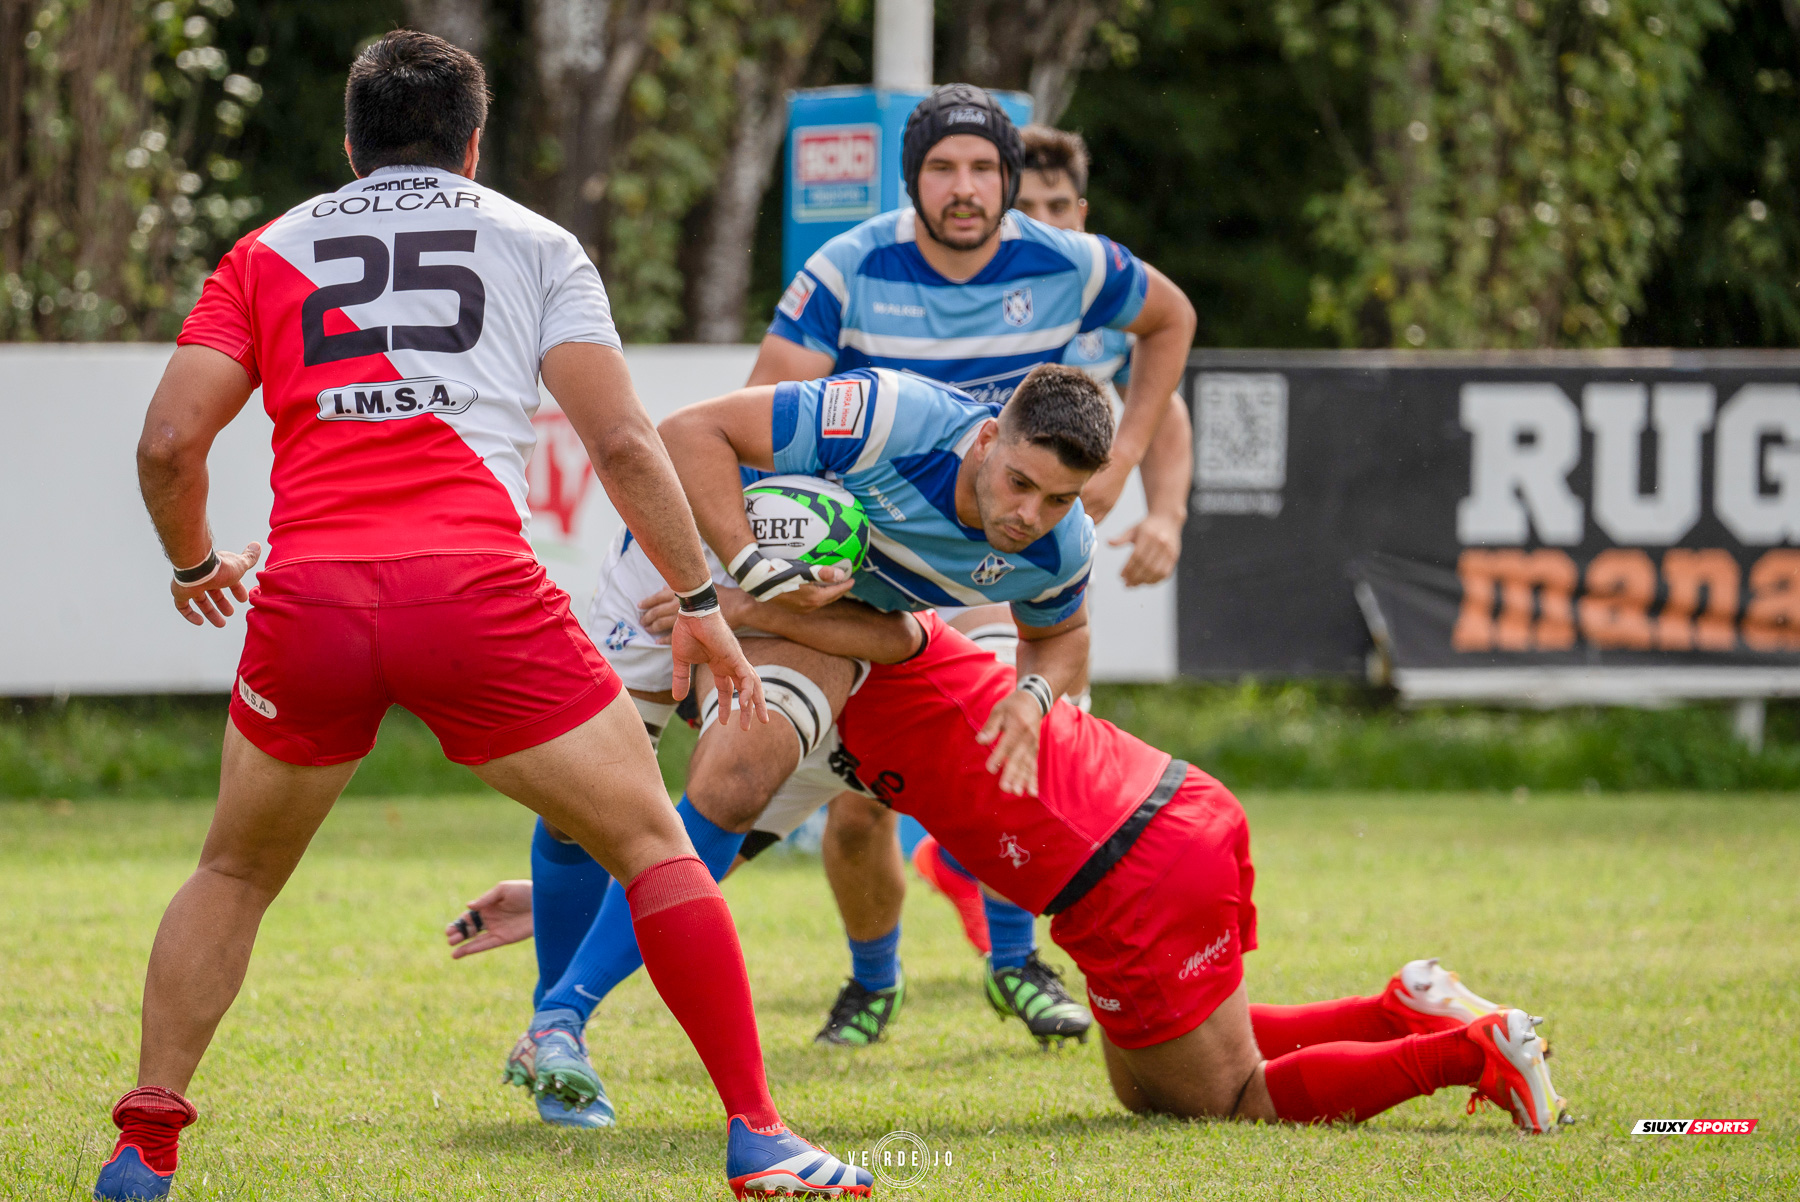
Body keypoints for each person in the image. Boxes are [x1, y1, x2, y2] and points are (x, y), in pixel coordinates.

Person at [94, 31, 869, 1202]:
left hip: (310, 601)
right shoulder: (538, 242)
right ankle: (759, 1136)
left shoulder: (266, 249)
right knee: (654, 847)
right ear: (472, 144)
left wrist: (195, 561)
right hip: (474, 596)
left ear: (349, 144)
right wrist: (700, 600)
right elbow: (623, 442)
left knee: (234, 872)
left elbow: (166, 443)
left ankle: (145, 1145)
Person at [464, 362, 1112, 1124]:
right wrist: (743, 573)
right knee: (582, 806)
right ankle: (554, 1018)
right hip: (690, 560)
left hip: (807, 617)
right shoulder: (891, 417)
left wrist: (1034, 696)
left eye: (1058, 498)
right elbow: (689, 433)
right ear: (988, 438)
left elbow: (1056, 634)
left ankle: (560, 1023)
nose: (1030, 514)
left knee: (738, 783)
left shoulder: (1062, 546)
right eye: (1020, 483)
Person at [731, 601, 1574, 1135]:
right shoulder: (805, 696)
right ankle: (1401, 1009)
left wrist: (724, 607)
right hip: (1167, 816)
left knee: (1226, 1099)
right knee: (1143, 1090)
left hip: (1131, 868)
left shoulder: (877, 638)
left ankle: (1474, 1052)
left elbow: (888, 630)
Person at [749, 85, 1197, 1048]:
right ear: (912, 179)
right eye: (945, 169)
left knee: (1012, 742)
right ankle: (873, 981)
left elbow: (1170, 330)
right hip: (879, 562)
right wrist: (777, 548)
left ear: (1009, 183)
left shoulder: (1069, 268)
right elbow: (766, 409)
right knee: (860, 806)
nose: (966, 189)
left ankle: (1015, 961)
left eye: (985, 170)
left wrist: (1133, 475)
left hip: (998, 556)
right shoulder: (850, 263)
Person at [909, 123, 1197, 958]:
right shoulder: (969, 301)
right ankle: (965, 925)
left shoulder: (1097, 309)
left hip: (1046, 559)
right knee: (979, 737)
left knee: (1045, 732)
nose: (1039, 221)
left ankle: (1000, 928)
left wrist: (1162, 509)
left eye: (1055, 206)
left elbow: (1165, 406)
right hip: (945, 548)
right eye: (1024, 206)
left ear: (1081, 213)